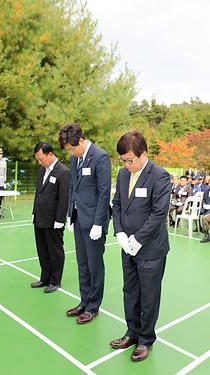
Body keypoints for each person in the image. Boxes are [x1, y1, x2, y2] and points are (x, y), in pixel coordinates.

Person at [110, 130, 171, 362]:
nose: (127, 165)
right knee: (130, 292)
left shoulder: (160, 176)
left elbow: (158, 214)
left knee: (149, 296)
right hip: (128, 246)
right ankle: (132, 332)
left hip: (151, 249)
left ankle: (146, 339)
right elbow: (116, 205)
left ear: (143, 154)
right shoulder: (124, 175)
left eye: (130, 160)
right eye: (123, 161)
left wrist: (137, 239)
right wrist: (120, 232)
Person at [59, 123, 111, 324]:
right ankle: (84, 300)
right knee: (82, 263)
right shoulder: (75, 159)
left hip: (95, 221)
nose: (71, 152)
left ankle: (93, 306)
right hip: (79, 218)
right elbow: (73, 186)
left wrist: (99, 223)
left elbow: (103, 192)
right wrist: (70, 215)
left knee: (94, 264)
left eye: (72, 148)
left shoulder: (100, 157)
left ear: (81, 140)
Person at [31, 142, 69, 293]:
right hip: (40, 217)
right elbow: (38, 193)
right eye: (38, 160)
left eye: (41, 159)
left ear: (50, 154)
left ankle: (55, 280)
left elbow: (64, 198)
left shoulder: (63, 172)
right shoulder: (42, 170)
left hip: (53, 221)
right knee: (42, 250)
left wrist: (60, 220)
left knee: (55, 251)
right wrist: (34, 211)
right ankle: (45, 277)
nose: (40, 162)